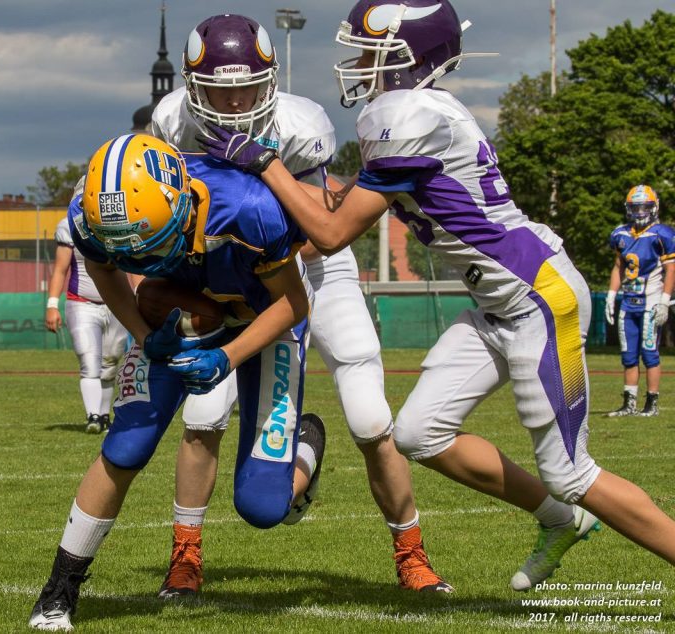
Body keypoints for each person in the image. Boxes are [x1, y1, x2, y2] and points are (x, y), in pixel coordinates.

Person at [199, 0, 675, 590]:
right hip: (498, 304)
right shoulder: (418, 112)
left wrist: (266, 164)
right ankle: (560, 521)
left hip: (538, 299)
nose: (359, 65)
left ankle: (579, 509)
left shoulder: (409, 113)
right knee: (419, 433)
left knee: (573, 473)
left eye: (373, 53)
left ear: (409, 57)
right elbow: (340, 207)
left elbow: (332, 232)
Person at [151, 13, 450, 596]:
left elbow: (322, 228)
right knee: (203, 414)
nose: (234, 100)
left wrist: (264, 183)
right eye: (218, 87)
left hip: (312, 267)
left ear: (270, 80)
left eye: (246, 85)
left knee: (369, 415)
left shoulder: (300, 124)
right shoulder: (171, 122)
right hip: (229, 267)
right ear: (192, 85)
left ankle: (411, 554)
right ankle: (185, 557)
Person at [28, 133, 323, 631]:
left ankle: (308, 442)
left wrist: (225, 359)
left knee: (263, 506)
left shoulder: (247, 207)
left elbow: (293, 303)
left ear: (182, 206)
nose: (137, 260)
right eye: (127, 249)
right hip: (180, 312)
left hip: (262, 319)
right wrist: (146, 336)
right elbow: (103, 271)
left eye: (148, 244)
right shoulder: (90, 212)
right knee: (127, 445)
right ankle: (59, 592)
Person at [45, 214, 129, 433]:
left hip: (116, 302)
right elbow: (61, 269)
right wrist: (52, 304)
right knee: (89, 359)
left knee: (110, 363)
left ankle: (103, 415)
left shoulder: (121, 221)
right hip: (81, 303)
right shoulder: (69, 225)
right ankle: (92, 415)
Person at [604, 185, 675, 417]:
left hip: (651, 302)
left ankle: (652, 403)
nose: (640, 211)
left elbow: (671, 269)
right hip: (628, 302)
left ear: (654, 208)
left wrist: (665, 300)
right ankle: (629, 403)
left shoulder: (662, 234)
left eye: (644, 206)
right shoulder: (620, 234)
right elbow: (619, 266)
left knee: (649, 352)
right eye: (635, 207)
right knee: (628, 355)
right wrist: (611, 295)